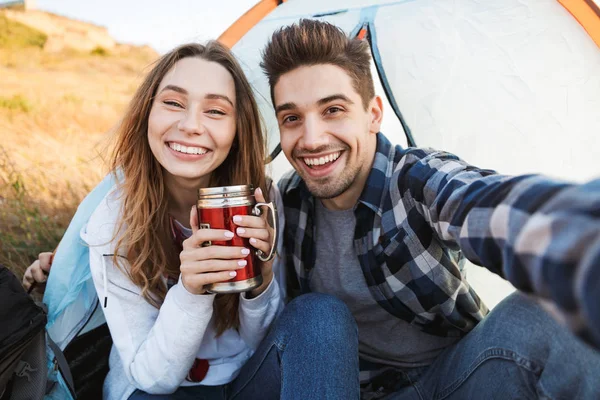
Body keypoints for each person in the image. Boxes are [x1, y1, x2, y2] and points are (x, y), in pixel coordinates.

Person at [260, 19, 600, 399]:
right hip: (352, 390)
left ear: (373, 114)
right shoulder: (283, 203)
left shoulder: (416, 177)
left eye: (333, 110)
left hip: (458, 378)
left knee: (547, 314)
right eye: (292, 118)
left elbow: (487, 204)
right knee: (317, 314)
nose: (312, 139)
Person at [24, 41, 359, 400]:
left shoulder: (259, 199)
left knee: (322, 316)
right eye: (173, 103)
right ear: (147, 114)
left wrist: (259, 284)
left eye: (215, 111)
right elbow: (153, 378)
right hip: (156, 388)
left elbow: (257, 342)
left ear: (237, 129)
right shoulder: (115, 220)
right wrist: (190, 291)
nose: (191, 125)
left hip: (247, 379)